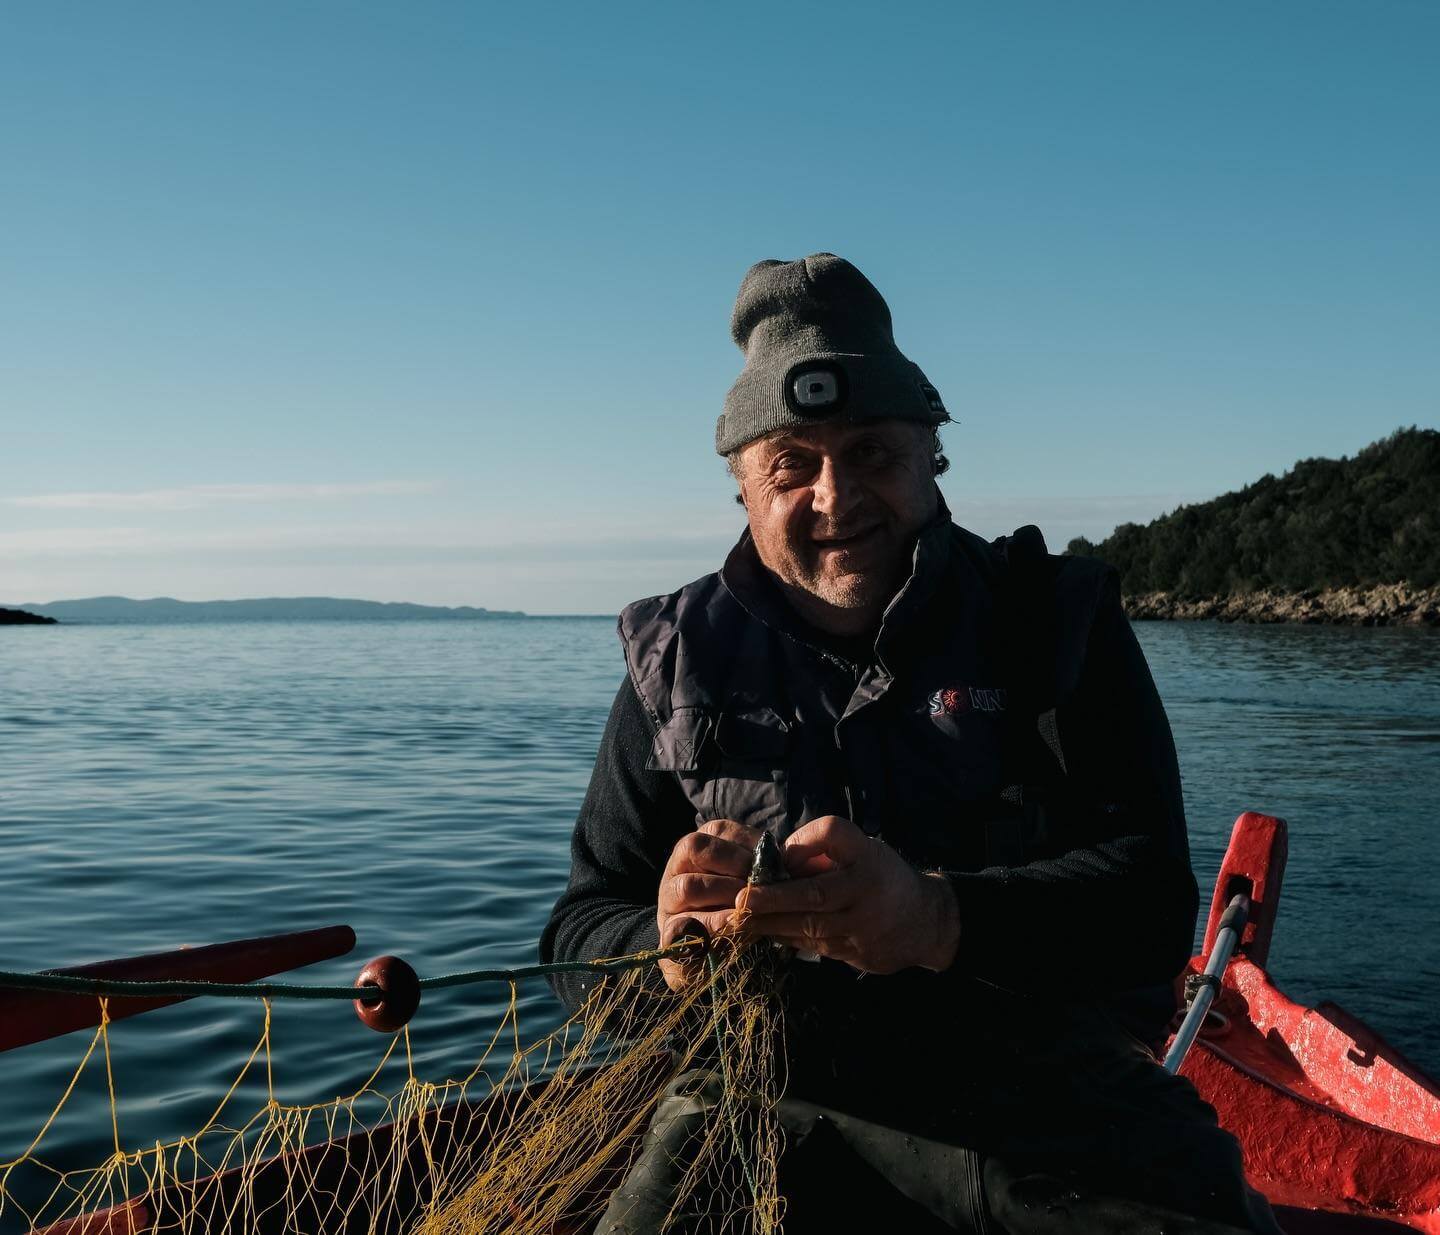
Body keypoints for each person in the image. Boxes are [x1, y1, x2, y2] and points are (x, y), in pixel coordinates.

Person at [540, 254, 1280, 1233]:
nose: (835, 495)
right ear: (744, 491)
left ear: (933, 457)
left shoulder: (1053, 619)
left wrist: (938, 916)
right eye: (791, 464)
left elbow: (1149, 902)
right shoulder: (675, 661)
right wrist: (664, 948)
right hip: (758, 1095)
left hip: (1044, 1091)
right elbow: (579, 931)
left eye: (874, 453)